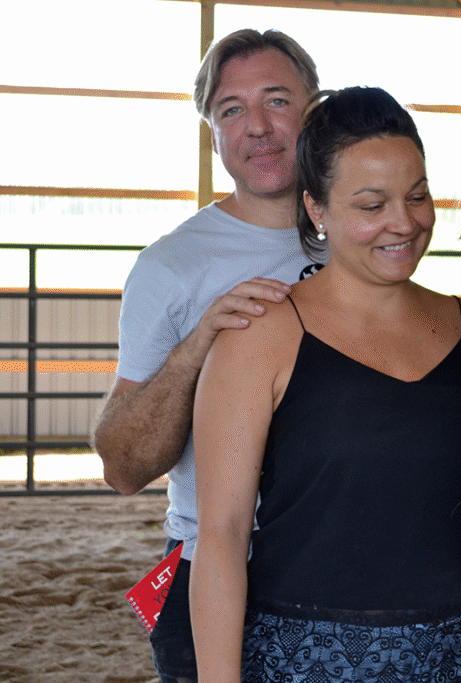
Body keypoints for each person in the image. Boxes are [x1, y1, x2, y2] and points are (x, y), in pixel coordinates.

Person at [189, 86, 461, 683]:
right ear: (317, 208)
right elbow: (220, 539)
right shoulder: (259, 338)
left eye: (418, 196)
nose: (403, 223)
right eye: (371, 204)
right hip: (305, 668)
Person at [90, 29, 321, 683]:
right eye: (231, 109)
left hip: (342, 571)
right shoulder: (172, 265)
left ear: (315, 109)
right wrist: (200, 347)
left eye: (277, 100)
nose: (257, 127)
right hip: (210, 569)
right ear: (212, 132)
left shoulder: (364, 247)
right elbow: (121, 465)